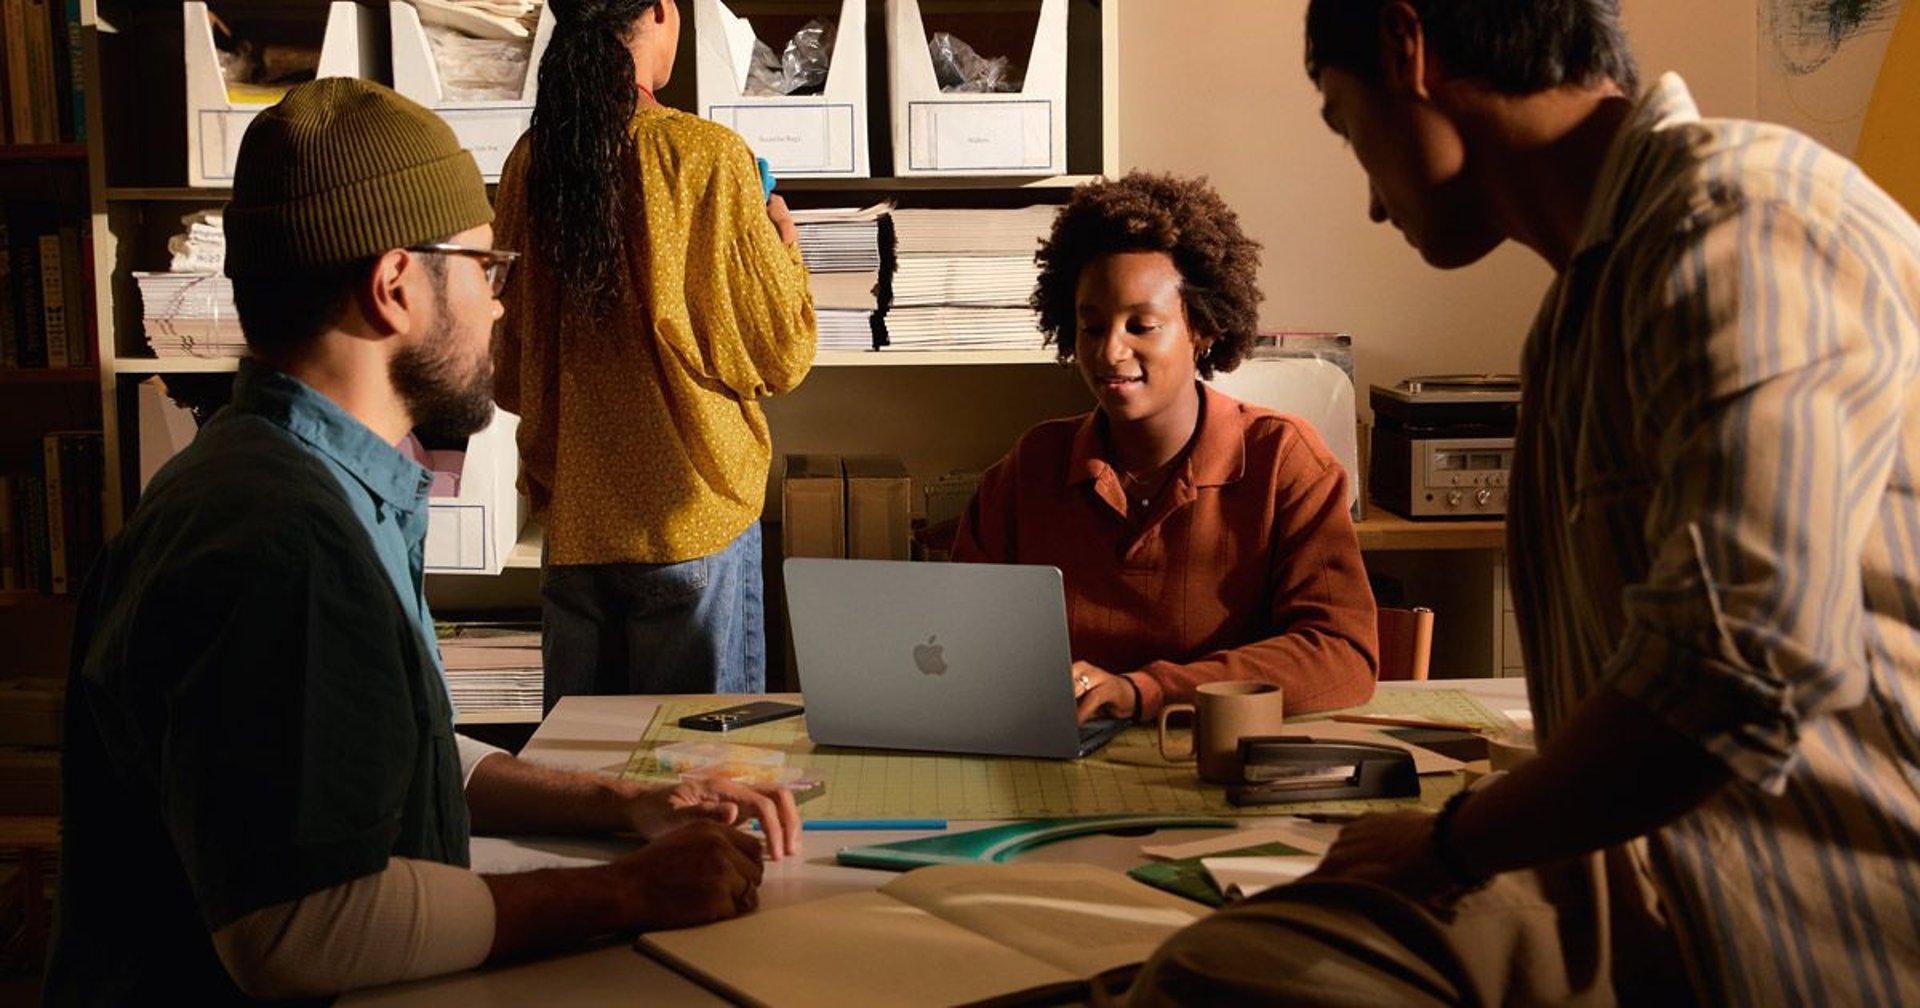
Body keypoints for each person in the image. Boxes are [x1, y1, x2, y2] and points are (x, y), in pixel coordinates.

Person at [1128, 2, 1920, 1004]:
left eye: (1344, 124)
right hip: (1664, 884)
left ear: (1406, 51)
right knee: (1209, 958)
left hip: (1831, 930)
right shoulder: (1580, 316)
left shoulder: (1744, 217)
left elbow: (1738, 662)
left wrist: (1451, 844)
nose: (1373, 202)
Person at [46, 79, 802, 1006]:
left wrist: (624, 803)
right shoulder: (283, 540)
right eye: (485, 268)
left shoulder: (296, 479)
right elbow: (299, 929)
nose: (498, 309)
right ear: (396, 285)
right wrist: (626, 891)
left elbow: (386, 748)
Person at [952, 172, 1378, 725]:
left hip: (1217, 773)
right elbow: (956, 637)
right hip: (1056, 769)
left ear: (1201, 327)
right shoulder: (1033, 466)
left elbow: (1342, 654)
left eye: (1142, 325)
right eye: (1092, 326)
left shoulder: (1283, 460)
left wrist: (1146, 690)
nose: (1110, 351)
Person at [493, 0, 817, 709]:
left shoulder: (529, 162)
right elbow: (780, 354)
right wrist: (785, 244)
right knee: (702, 784)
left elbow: (511, 371)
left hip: (576, 526)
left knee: (584, 782)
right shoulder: (705, 154)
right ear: (662, 11)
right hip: (689, 518)